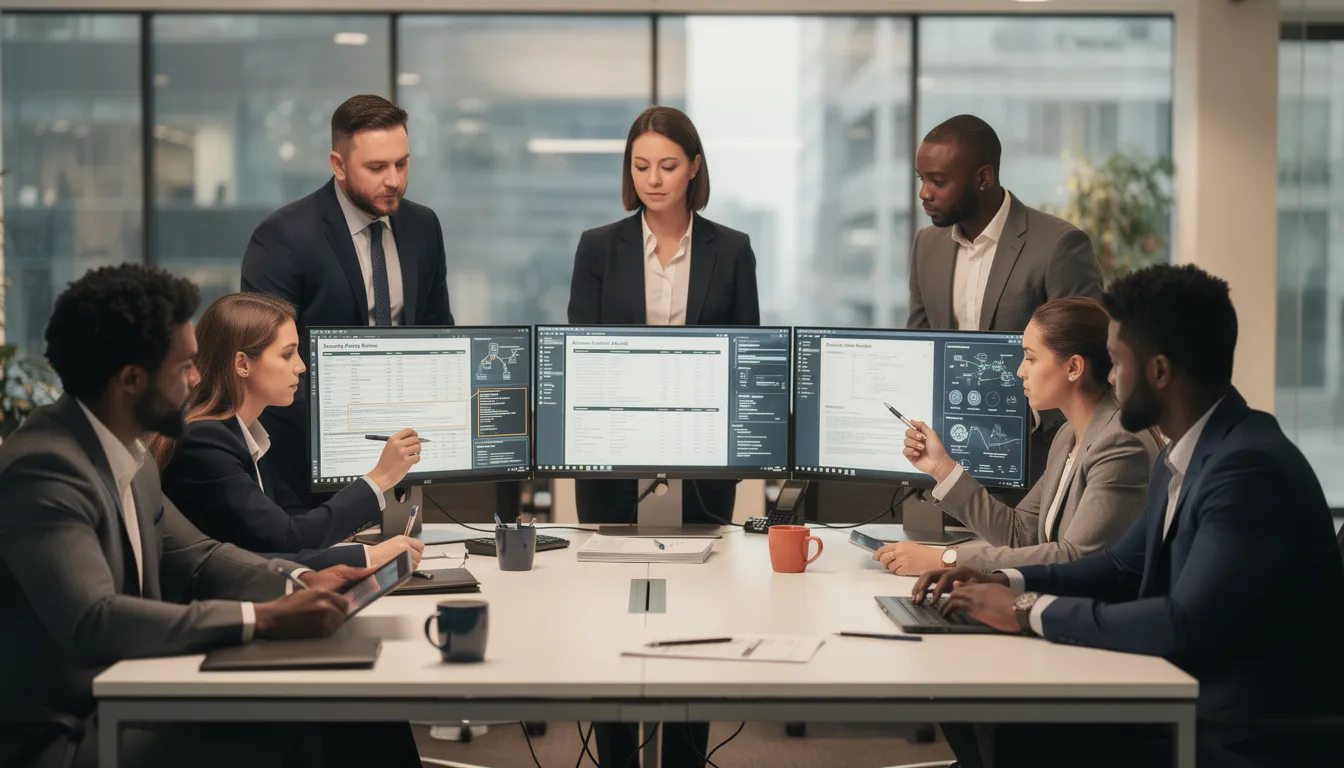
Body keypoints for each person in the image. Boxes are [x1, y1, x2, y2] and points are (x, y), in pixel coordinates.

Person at [913, 264, 1344, 768]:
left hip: (1240, 733)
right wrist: (1002, 578)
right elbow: (1121, 567)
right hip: (1185, 696)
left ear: (1159, 372)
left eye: (1117, 362)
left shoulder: (1246, 468)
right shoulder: (1184, 454)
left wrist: (1026, 608)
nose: (1110, 377)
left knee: (1019, 731)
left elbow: (1183, 624)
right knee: (991, 715)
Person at [0, 264, 420, 768]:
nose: (199, 378)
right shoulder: (45, 468)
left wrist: (300, 579)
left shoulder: (127, 455)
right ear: (131, 379)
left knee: (359, 710)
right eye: (184, 367)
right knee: (309, 725)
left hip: (131, 690)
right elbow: (96, 619)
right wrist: (260, 618)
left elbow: (199, 556)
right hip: (64, 732)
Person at [567, 105, 759, 768]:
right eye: (641, 165)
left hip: (704, 457)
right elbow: (581, 356)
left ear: (695, 168)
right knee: (608, 618)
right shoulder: (599, 247)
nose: (654, 178)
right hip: (612, 457)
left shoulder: (730, 249)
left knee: (697, 618)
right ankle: (615, 756)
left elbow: (744, 358)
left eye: (668, 166)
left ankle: (684, 756)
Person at [241, 94, 454, 503]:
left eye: (402, 163)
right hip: (307, 466)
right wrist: (354, 434)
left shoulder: (423, 227)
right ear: (338, 165)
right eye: (376, 168)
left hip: (403, 459)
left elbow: (437, 333)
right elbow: (265, 363)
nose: (393, 180)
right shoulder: (284, 237)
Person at [874, 298, 1161, 574]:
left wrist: (945, 559)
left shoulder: (1121, 445)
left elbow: (1075, 558)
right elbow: (1020, 532)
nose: (1020, 371)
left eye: (1031, 358)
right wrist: (941, 468)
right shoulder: (1068, 436)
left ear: (1074, 367)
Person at [150, 293, 425, 571]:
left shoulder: (244, 433)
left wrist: (339, 535)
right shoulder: (204, 442)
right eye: (287, 354)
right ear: (242, 364)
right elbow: (286, 539)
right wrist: (380, 478)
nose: (301, 366)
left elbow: (288, 519)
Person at [907, 114, 1102, 332]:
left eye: (938, 182)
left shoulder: (1060, 246)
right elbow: (918, 345)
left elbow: (1083, 351)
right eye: (921, 179)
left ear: (984, 178)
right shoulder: (926, 245)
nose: (924, 193)